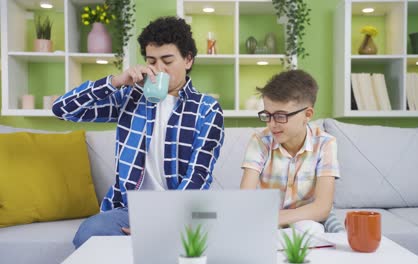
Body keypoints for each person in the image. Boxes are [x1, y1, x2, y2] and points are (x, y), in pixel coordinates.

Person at [52, 16, 225, 248]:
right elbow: (63, 109)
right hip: (131, 209)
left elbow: (198, 176)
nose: (159, 68)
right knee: (90, 232)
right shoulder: (130, 98)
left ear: (188, 60)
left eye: (167, 60)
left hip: (184, 209)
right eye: (151, 61)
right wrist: (115, 81)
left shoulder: (207, 109)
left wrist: (161, 223)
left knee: (206, 236)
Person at [240, 69, 344, 232]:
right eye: (268, 115)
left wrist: (274, 218)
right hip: (267, 219)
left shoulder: (325, 143)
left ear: (307, 114)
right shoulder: (260, 141)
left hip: (306, 219)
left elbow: (322, 208)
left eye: (281, 116)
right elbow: (245, 199)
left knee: (312, 229)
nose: (272, 124)